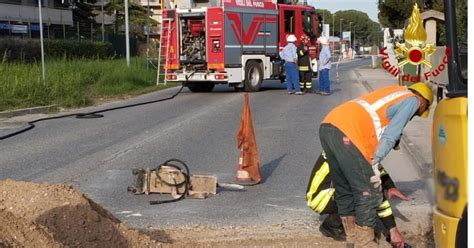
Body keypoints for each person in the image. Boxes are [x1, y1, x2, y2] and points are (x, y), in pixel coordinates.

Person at [318, 82, 433, 247]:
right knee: (368, 191)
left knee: (344, 190)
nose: (416, 114)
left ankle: (352, 239)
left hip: (328, 125)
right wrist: (376, 160)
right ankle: (365, 243)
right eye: (420, 112)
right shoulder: (412, 100)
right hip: (348, 132)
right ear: (424, 102)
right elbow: (391, 135)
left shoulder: (394, 91)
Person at [306, 150, 409, 247]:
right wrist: (392, 229)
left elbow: (375, 166)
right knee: (365, 195)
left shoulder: (352, 142)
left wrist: (390, 186)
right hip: (320, 197)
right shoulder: (351, 151)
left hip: (323, 192)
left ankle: (340, 219)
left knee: (364, 193)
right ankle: (332, 225)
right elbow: (373, 190)